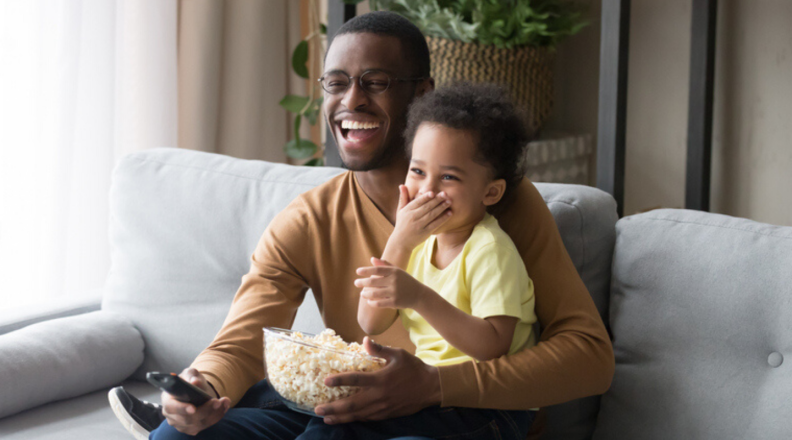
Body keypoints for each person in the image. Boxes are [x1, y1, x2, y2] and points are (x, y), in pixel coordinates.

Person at [111, 10, 614, 440]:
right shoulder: (308, 219)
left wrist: (436, 386)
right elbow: (243, 338)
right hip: (347, 416)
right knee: (177, 431)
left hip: (462, 419)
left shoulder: (501, 206)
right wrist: (203, 386)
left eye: (374, 82)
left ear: (422, 95)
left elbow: (589, 357)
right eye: (336, 83)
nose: (351, 100)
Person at [352, 82, 540, 436]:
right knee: (333, 427)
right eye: (418, 171)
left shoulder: (490, 249)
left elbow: (492, 346)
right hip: (429, 398)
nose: (427, 190)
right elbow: (370, 321)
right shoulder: (417, 245)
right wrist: (399, 241)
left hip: (491, 407)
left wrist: (419, 297)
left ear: (491, 191)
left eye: (449, 177)